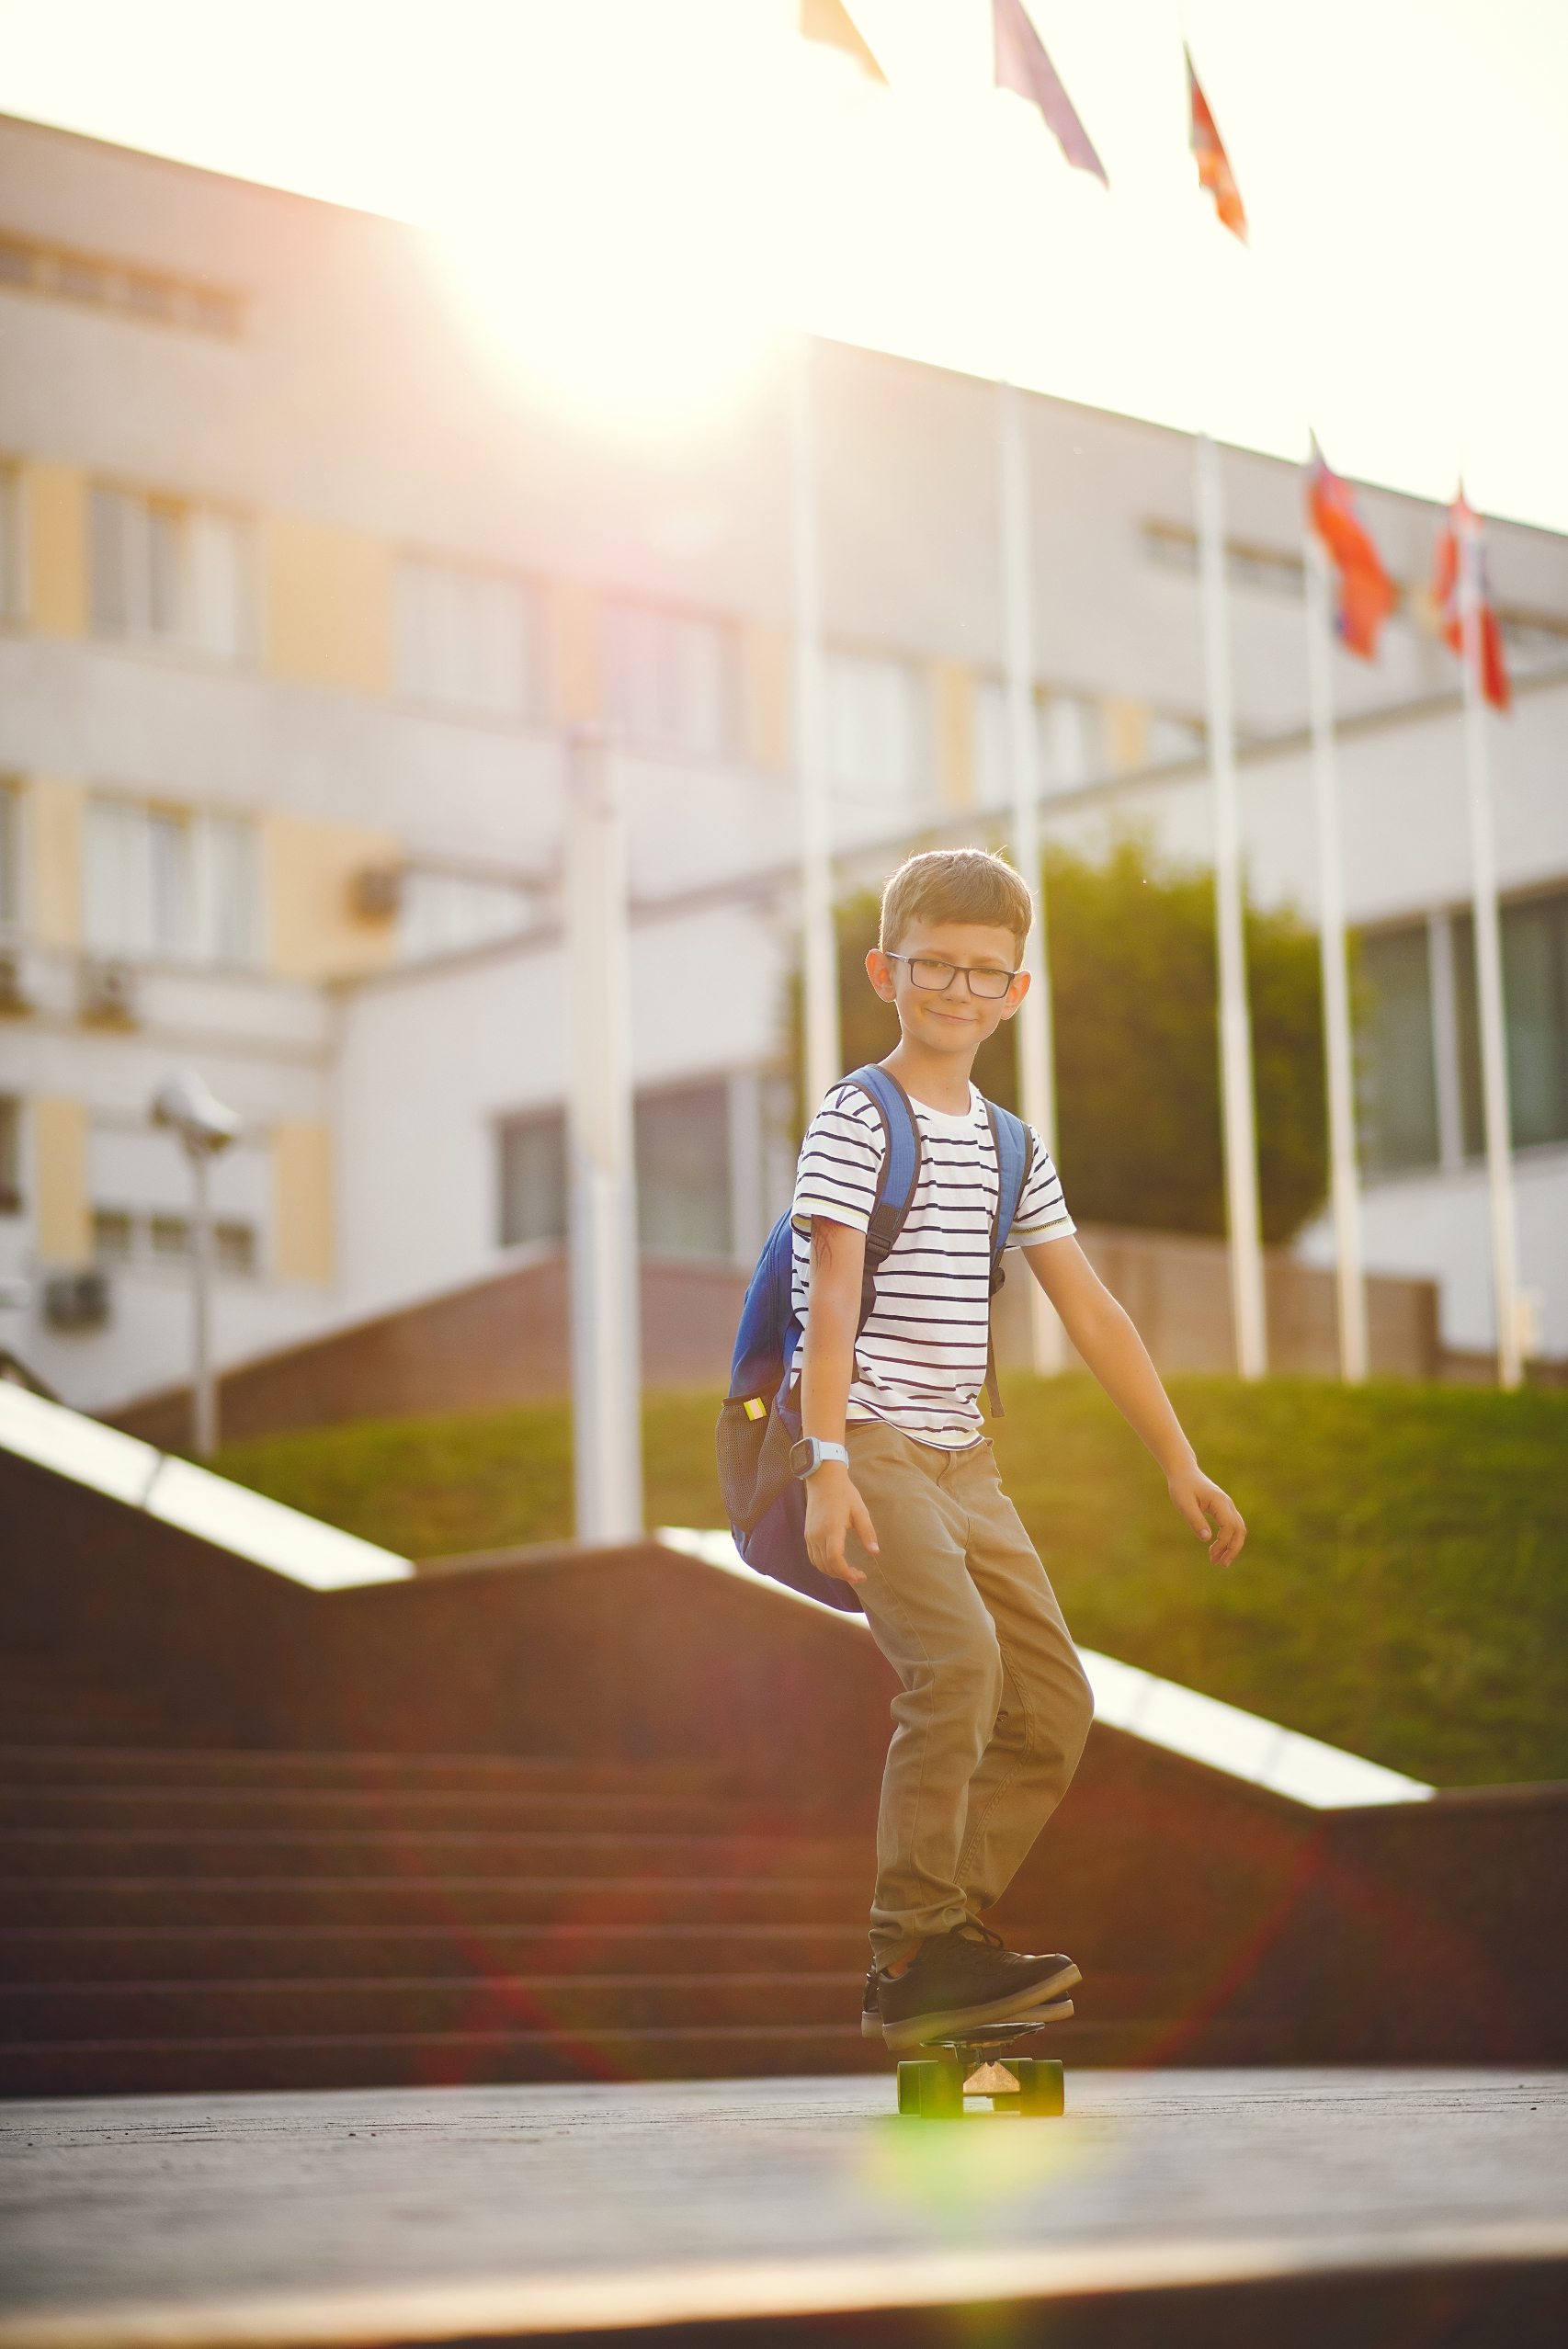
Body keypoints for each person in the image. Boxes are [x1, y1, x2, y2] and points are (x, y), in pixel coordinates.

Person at [790, 846, 1246, 2056]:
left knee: (1051, 1701)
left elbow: (1090, 1309)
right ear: (885, 972)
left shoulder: (1009, 1146)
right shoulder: (855, 1117)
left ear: (1016, 992)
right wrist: (825, 1461)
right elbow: (828, 1296)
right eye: (933, 965)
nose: (957, 988)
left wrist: (1178, 1460)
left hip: (965, 1460)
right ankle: (909, 1951)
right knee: (956, 1668)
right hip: (870, 1441)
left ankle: (945, 1942)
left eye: (983, 972)